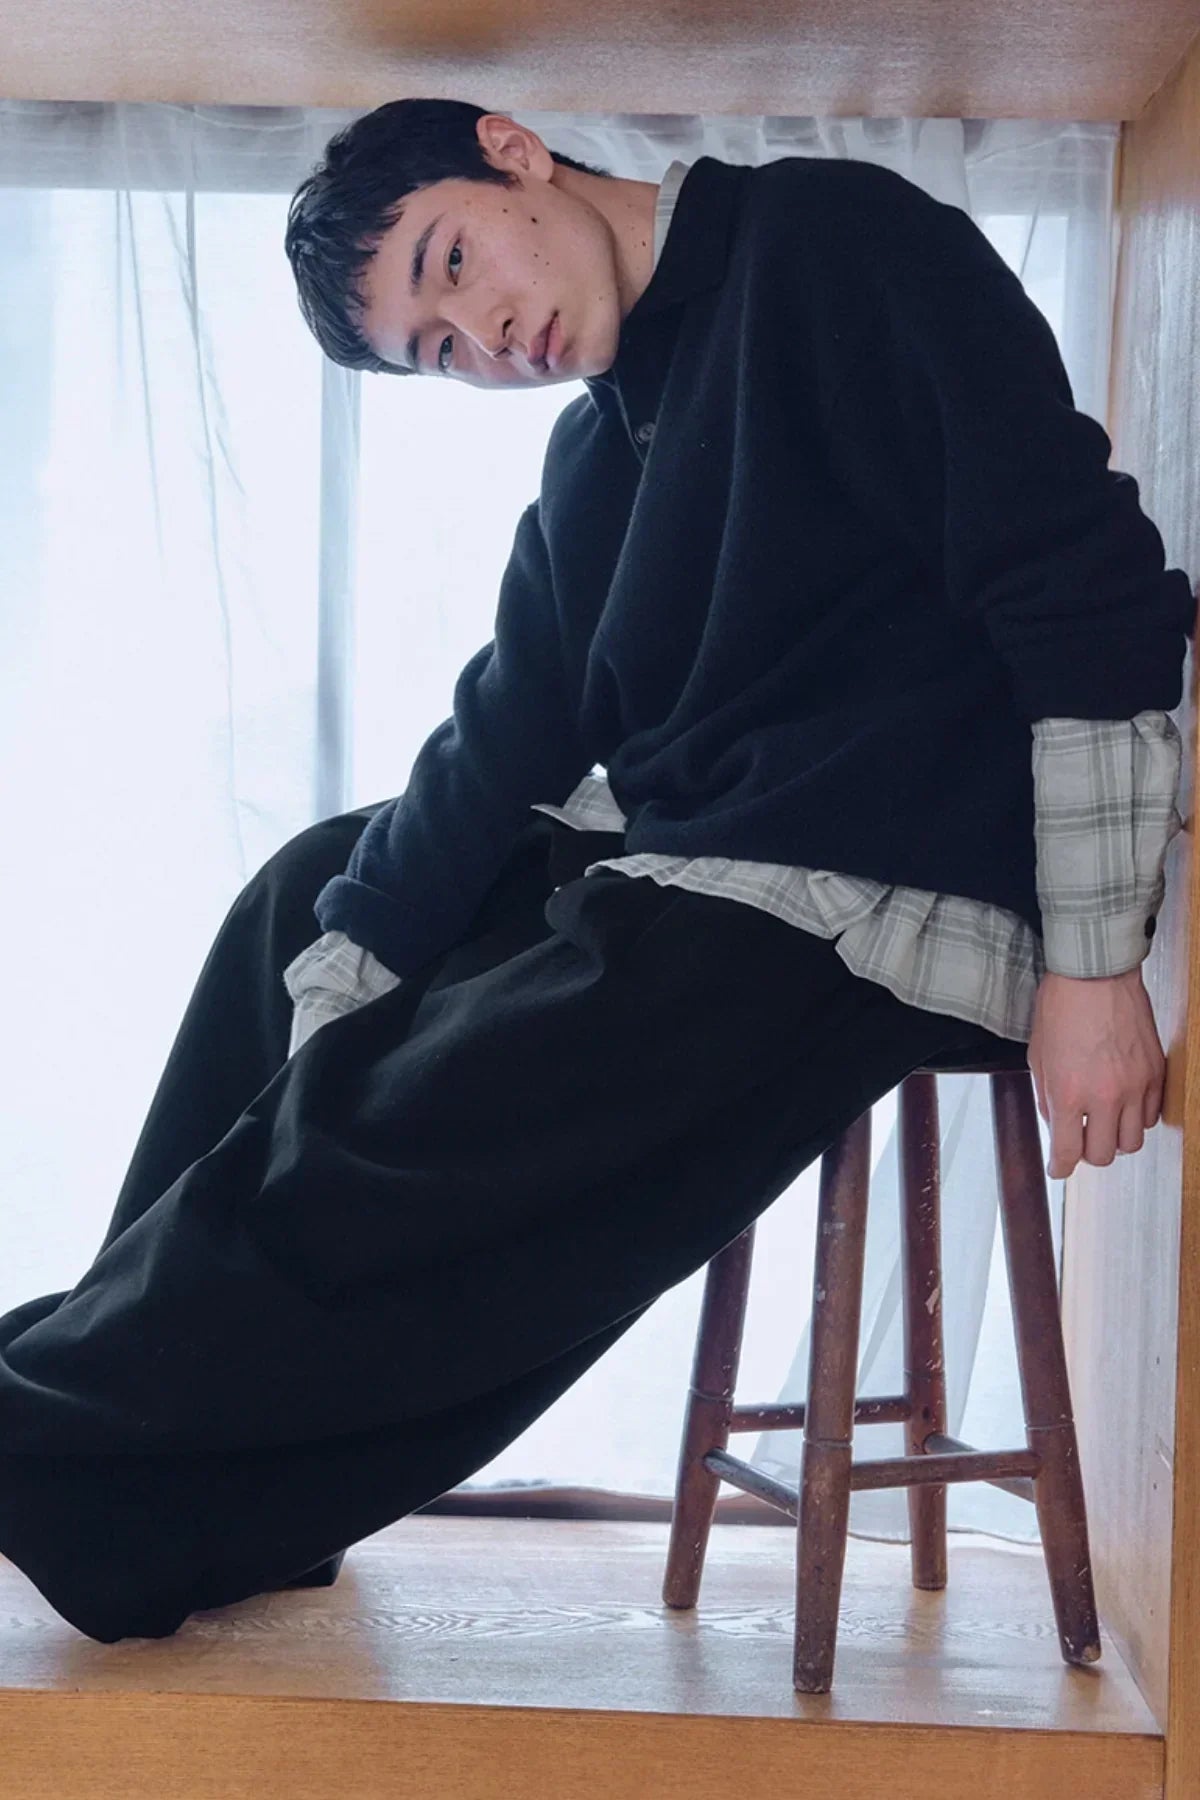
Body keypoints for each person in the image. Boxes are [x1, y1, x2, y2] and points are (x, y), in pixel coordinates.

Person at [0, 100, 1190, 1645]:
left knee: (405, 1133)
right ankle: (191, 1497)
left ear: (511, 153)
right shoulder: (602, 444)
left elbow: (1086, 587)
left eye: (452, 262)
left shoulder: (836, 247)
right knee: (311, 894)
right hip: (702, 871)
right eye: (438, 349)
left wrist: (1095, 970)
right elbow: (504, 731)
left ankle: (47, 1441)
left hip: (887, 888)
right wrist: (333, 1015)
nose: (486, 335)